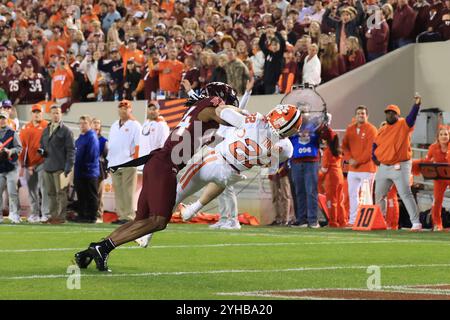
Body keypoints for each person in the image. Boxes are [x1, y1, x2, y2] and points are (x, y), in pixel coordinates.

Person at [74, 83, 243, 272]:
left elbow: (218, 138)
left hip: (158, 163)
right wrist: (257, 120)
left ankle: (92, 251)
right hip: (165, 166)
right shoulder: (209, 109)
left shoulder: (203, 116)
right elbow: (234, 119)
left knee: (140, 221)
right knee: (159, 221)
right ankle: (102, 247)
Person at [178, 104, 301, 223]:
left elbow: (221, 111)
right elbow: (269, 162)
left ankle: (163, 215)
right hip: (232, 173)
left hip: (216, 160)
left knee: (178, 192)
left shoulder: (256, 122)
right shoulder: (287, 149)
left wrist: (240, 110)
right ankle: (192, 210)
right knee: (220, 182)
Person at [372, 94, 423, 231]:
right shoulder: (382, 129)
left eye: (392, 113)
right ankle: (380, 221)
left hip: (400, 165)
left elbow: (411, 118)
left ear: (397, 115)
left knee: (405, 193)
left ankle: (416, 222)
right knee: (379, 194)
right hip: (384, 166)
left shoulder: (403, 124)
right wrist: (374, 157)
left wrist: (417, 105)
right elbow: (375, 145)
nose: (389, 115)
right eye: (387, 113)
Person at [341, 106, 378, 227]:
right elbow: (344, 146)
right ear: (355, 116)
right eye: (358, 113)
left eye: (363, 113)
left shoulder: (372, 129)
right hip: (353, 169)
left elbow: (370, 150)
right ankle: (353, 220)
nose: (361, 115)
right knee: (352, 194)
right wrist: (348, 159)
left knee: (367, 194)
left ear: (367, 116)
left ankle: (367, 221)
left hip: (367, 168)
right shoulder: (350, 129)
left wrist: (357, 161)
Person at [107, 100, 142, 225]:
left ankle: (129, 216)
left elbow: (138, 145)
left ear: (130, 110)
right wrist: (109, 163)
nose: (123, 110)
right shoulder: (114, 125)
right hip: (115, 163)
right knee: (119, 191)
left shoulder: (135, 125)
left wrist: (135, 161)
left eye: (125, 108)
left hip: (128, 162)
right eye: (121, 108)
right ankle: (121, 215)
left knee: (128, 191)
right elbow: (111, 145)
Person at [40, 105, 75, 224]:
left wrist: (68, 168)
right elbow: (42, 146)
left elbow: (71, 150)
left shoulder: (66, 130)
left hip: (61, 167)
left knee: (61, 193)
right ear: (50, 115)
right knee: (50, 193)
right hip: (48, 166)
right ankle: (53, 216)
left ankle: (61, 217)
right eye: (54, 113)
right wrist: (42, 152)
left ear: (61, 115)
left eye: (58, 113)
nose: (56, 115)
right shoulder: (46, 130)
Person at [18, 104, 49, 223]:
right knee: (32, 190)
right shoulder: (26, 127)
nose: (37, 114)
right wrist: (24, 164)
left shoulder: (47, 126)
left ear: (42, 113)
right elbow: (22, 147)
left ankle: (45, 214)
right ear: (31, 114)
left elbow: (50, 146)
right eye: (34, 112)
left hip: (43, 162)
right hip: (29, 164)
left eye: (39, 112)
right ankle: (35, 214)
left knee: (44, 189)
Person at [74, 115, 100, 223]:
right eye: (80, 123)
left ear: (89, 124)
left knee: (91, 195)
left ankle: (92, 216)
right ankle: (83, 215)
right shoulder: (81, 137)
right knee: (82, 194)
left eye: (84, 123)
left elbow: (92, 155)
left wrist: (86, 167)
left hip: (89, 172)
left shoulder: (91, 137)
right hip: (80, 171)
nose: (82, 125)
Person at [424, 125, 450, 231]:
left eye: (446, 134)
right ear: (438, 137)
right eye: (441, 134)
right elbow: (427, 162)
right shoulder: (433, 148)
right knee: (437, 201)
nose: (444, 136)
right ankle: (437, 224)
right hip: (439, 177)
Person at [0, 111, 22, 223]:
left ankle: (14, 214)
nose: (1, 120)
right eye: (0, 118)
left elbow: (19, 148)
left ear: (7, 119)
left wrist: (10, 151)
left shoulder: (13, 133)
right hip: (0, 168)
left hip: (11, 167)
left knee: (12, 191)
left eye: (3, 118)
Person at [321, 133, 346, 227]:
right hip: (339, 175)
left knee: (331, 201)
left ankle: (333, 222)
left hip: (331, 177)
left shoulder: (328, 151)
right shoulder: (338, 150)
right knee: (339, 201)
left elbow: (324, 168)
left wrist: (318, 176)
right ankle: (342, 221)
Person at [259, 27, 286, 94]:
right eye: (273, 44)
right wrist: (265, 33)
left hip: (276, 83)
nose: (275, 46)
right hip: (267, 82)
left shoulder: (279, 54)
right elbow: (261, 43)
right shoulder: (268, 53)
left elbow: (282, 42)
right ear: (270, 46)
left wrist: (275, 32)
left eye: (276, 44)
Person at [92, 118, 108, 220]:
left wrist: (106, 170)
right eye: (94, 123)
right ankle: (90, 213)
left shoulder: (104, 141)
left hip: (99, 170)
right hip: (87, 170)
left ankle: (98, 215)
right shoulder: (86, 138)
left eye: (98, 123)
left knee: (99, 193)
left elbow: (106, 156)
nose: (96, 125)